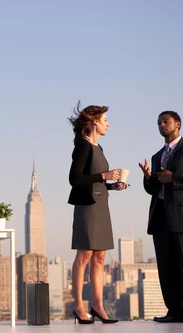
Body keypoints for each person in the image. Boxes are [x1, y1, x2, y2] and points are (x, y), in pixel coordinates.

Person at [138, 111, 183, 324]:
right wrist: (148, 178)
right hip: (161, 219)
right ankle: (175, 311)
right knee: (167, 269)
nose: (162, 125)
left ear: (178, 124)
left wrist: (174, 178)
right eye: (159, 122)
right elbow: (154, 189)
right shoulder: (156, 156)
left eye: (166, 121)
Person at [67, 102, 127, 324]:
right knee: (85, 255)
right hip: (87, 207)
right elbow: (75, 179)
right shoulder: (82, 146)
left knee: (100, 256)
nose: (108, 124)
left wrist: (113, 184)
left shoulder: (98, 148)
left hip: (102, 204)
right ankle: (79, 307)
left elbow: (96, 180)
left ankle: (98, 306)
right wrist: (104, 176)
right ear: (94, 122)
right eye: (105, 121)